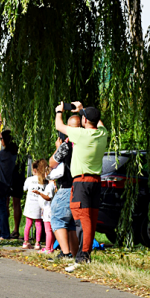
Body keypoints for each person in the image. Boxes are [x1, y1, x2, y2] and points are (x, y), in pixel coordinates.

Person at [54, 101, 108, 270]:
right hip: (95, 182)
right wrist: (84, 109)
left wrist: (59, 111)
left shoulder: (80, 134)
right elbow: (99, 122)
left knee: (82, 218)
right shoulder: (102, 134)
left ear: (84, 121)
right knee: (90, 218)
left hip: (81, 182)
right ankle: (85, 254)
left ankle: (83, 256)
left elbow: (59, 125)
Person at [48, 116, 81, 261]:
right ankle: (75, 255)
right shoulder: (85, 142)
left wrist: (58, 148)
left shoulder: (66, 145)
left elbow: (52, 163)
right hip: (81, 187)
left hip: (67, 187)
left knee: (58, 218)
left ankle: (65, 253)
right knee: (73, 224)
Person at [21, 159, 49, 250]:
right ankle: (37, 243)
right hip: (39, 206)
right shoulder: (44, 181)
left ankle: (26, 242)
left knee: (28, 224)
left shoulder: (29, 179)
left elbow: (24, 188)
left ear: (34, 170)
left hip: (29, 205)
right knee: (38, 224)